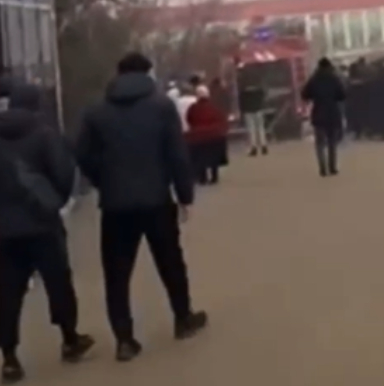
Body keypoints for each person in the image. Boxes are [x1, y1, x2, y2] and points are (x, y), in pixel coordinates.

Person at [75, 52, 207, 362]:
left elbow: (82, 154)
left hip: (115, 204)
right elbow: (177, 154)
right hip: (156, 199)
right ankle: (183, 318)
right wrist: (185, 195)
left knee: (117, 273)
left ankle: (124, 339)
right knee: (170, 262)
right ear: (147, 73)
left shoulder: (96, 111)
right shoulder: (161, 107)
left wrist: (103, 180)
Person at [0, 84, 94, 383]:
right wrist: (55, 202)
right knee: (58, 282)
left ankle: (9, 357)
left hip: (4, 228)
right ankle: (70, 339)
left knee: (8, 291)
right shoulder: (44, 134)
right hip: (42, 223)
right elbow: (64, 174)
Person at [301, 58, 346, 177]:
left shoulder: (314, 79)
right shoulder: (334, 78)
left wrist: (314, 97)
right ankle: (332, 167)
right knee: (332, 142)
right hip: (333, 113)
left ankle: (322, 168)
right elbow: (342, 95)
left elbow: (304, 94)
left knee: (320, 143)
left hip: (318, 113)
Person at [185, 86, 229, 185]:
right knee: (214, 157)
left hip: (198, 137)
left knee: (200, 158)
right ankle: (214, 177)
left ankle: (203, 178)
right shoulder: (214, 106)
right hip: (215, 136)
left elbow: (189, 119)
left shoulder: (193, 108)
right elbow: (221, 119)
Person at [237, 79, 267, 156]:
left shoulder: (243, 91)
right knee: (260, 128)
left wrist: (242, 111)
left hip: (248, 111)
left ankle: (254, 147)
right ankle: (263, 146)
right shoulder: (258, 89)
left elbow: (241, 102)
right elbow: (263, 96)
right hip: (258, 109)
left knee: (251, 130)